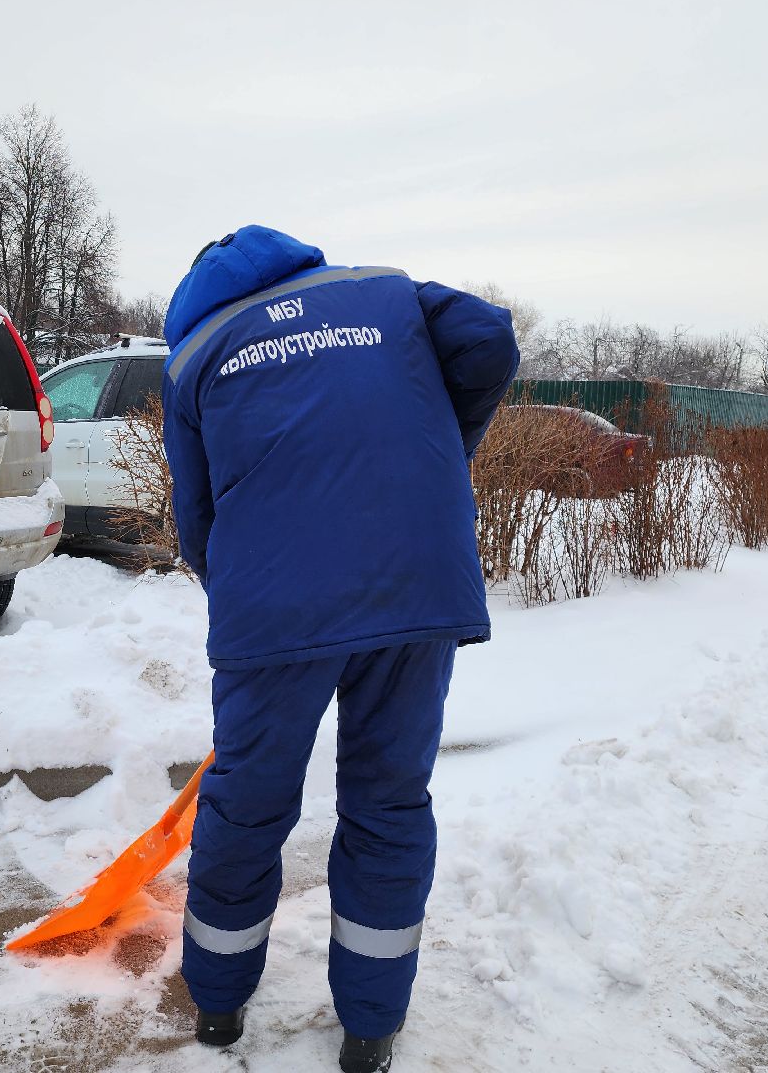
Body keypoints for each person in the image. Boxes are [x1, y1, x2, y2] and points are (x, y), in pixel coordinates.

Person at [162, 225, 519, 1073]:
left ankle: (218, 1010)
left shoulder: (197, 355)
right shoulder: (387, 293)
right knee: (389, 801)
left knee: (247, 804)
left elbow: (197, 517)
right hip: (419, 584)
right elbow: (487, 340)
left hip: (274, 609)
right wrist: (435, 460)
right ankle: (371, 1032)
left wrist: (245, 588)